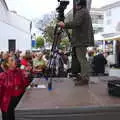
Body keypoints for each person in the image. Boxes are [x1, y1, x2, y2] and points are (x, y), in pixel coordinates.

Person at [58, 0, 94, 85]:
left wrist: (64, 25)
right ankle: (83, 76)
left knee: (82, 59)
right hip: (81, 39)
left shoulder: (82, 12)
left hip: (80, 40)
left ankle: (85, 78)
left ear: (78, 5)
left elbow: (76, 23)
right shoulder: (84, 11)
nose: (75, 7)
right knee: (81, 58)